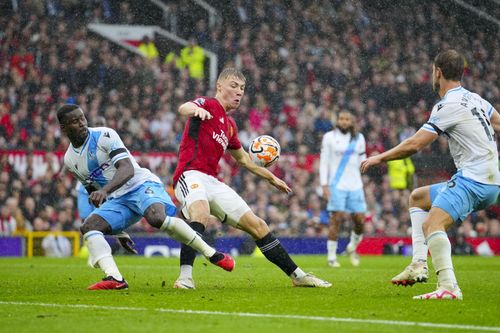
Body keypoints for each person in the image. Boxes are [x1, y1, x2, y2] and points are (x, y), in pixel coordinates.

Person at [172, 68, 331, 289]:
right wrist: (195, 111)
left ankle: (298, 276)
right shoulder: (207, 104)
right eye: (234, 86)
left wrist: (271, 178)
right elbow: (184, 107)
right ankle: (185, 277)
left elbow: (245, 160)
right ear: (219, 86)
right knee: (201, 211)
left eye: (242, 89)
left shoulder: (230, 126)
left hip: (212, 180)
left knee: (258, 225)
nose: (239, 92)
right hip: (189, 175)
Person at [361, 49, 500, 300]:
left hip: (473, 181)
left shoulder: (447, 105)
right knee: (418, 198)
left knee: (432, 224)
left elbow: (415, 144)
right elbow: (499, 124)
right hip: (491, 182)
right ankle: (418, 264)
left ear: (438, 72)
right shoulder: (477, 100)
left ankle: (448, 286)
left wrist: (379, 157)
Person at [57, 104, 234, 290]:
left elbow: (127, 169)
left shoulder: (104, 135)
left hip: (141, 185)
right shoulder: (70, 160)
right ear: (63, 127)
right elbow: (96, 192)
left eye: (82, 118)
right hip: (119, 200)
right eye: (75, 121)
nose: (82, 123)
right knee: (88, 227)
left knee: (156, 218)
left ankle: (213, 254)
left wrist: (105, 191)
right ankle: (115, 278)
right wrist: (119, 231)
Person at [319, 110, 366, 268]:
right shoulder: (329, 137)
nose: (344, 121)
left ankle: (351, 247)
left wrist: (370, 161)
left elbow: (362, 161)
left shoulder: (359, 138)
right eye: (341, 119)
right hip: (336, 184)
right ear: (337, 121)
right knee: (335, 220)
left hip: (356, 185)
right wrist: (324, 184)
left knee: (359, 220)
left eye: (347, 119)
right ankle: (331, 257)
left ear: (351, 122)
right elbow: (324, 162)